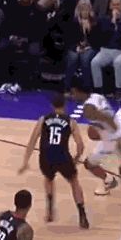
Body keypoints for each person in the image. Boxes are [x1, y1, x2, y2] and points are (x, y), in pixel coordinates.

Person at [18, 93, 90, 229]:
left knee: (48, 179)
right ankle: (82, 215)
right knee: (74, 182)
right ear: (65, 105)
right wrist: (76, 158)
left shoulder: (43, 120)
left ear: (52, 105)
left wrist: (25, 161)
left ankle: (50, 210)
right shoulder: (71, 121)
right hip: (63, 156)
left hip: (46, 157)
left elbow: (32, 141)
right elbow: (80, 145)